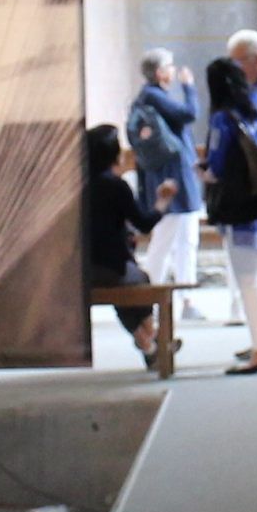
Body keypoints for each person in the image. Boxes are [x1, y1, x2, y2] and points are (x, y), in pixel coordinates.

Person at [200, 54, 257, 375]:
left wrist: (205, 174)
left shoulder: (224, 117)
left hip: (243, 207)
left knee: (248, 279)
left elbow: (216, 165)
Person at [82, 120, 159, 363]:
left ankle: (148, 342)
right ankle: (150, 338)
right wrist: (162, 204)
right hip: (111, 267)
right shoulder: (116, 186)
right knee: (140, 280)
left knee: (123, 292)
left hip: (80, 270)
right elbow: (144, 223)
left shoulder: (77, 187)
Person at [127, 50, 201, 294]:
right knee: (168, 239)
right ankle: (154, 292)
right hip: (171, 175)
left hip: (168, 173)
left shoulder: (148, 97)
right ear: (159, 72)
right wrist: (189, 87)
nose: (174, 70)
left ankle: (183, 295)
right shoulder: (153, 96)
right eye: (170, 66)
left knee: (183, 239)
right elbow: (189, 114)